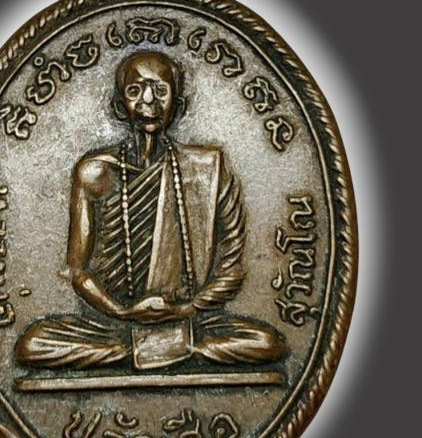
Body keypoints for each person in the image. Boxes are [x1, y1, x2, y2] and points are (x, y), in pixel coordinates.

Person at [16, 51, 285, 369]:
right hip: (114, 323)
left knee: (269, 343)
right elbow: (79, 272)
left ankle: (144, 351)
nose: (148, 101)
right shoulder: (94, 172)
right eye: (135, 90)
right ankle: (160, 350)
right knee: (33, 344)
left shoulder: (208, 168)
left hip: (189, 320)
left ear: (178, 106)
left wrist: (184, 309)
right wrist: (122, 312)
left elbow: (231, 269)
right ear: (119, 106)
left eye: (160, 90)